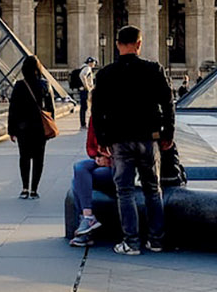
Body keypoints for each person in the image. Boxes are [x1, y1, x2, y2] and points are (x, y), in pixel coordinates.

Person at [89, 24, 173, 256]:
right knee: (153, 189)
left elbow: (96, 111)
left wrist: (103, 139)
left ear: (117, 45)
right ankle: (156, 241)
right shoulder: (153, 69)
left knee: (124, 191)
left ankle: (131, 242)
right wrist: (168, 135)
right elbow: (168, 104)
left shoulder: (105, 74)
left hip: (119, 140)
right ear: (139, 44)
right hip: (149, 139)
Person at [8, 56, 54, 199]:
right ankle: (34, 189)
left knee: (24, 158)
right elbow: (51, 109)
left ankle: (24, 188)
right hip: (40, 127)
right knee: (39, 159)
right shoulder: (45, 85)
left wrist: (11, 130)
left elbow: (13, 109)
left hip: (23, 128)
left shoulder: (19, 85)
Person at [67, 107, 114, 246]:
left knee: (77, 181)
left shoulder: (117, 117)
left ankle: (85, 231)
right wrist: (98, 157)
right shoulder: (95, 118)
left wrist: (109, 159)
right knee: (79, 167)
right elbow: (90, 146)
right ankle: (88, 218)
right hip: (99, 161)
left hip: (117, 165)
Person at [70, 55, 96, 130]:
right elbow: (82, 75)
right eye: (93, 63)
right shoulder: (87, 68)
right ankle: (83, 123)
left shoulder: (83, 67)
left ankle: (83, 123)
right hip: (84, 90)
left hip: (82, 89)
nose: (94, 65)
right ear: (91, 63)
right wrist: (87, 86)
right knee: (84, 107)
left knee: (84, 106)